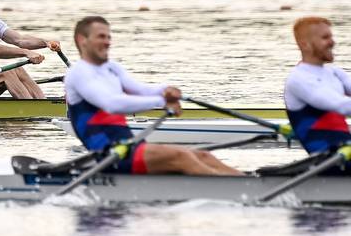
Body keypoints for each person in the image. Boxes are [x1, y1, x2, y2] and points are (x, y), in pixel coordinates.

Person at [64, 16, 241, 175]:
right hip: (106, 153)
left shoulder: (112, 68)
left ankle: (248, 181)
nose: (108, 42)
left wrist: (166, 90)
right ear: (82, 40)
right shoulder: (78, 73)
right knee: (181, 156)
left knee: (203, 155)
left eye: (109, 37)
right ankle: (242, 192)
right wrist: (162, 101)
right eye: (101, 37)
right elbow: (112, 104)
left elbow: (141, 90)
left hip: (127, 146)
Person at [284, 16, 351, 155]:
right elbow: (341, 106)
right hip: (328, 159)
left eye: (331, 37)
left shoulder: (334, 72)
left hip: (345, 151)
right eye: (325, 38)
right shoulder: (299, 79)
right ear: (304, 45)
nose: (332, 42)